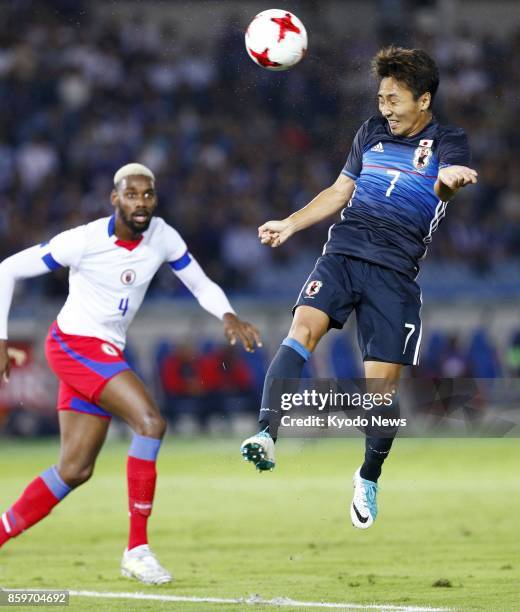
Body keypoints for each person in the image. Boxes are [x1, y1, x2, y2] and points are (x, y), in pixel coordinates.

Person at [240, 46, 477, 529]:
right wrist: (290, 224)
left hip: (394, 273)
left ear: (424, 99)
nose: (385, 108)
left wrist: (449, 181)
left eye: (394, 99)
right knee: (301, 330)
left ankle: (368, 474)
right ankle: (267, 433)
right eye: (381, 98)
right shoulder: (369, 132)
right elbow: (340, 190)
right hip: (343, 254)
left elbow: (442, 187)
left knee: (380, 392)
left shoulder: (450, 140)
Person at [0, 163, 261, 583]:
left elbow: (199, 283)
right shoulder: (83, 241)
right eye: (132, 194)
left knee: (74, 470)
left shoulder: (162, 236)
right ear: (115, 198)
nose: (141, 203)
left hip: (103, 351)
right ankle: (137, 550)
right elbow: (7, 269)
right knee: (151, 422)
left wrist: (227, 314)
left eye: (148, 195)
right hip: (74, 345)